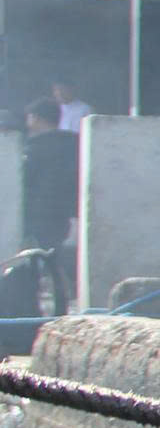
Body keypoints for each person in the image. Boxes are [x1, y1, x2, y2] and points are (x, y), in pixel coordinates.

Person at [22, 97, 79, 313]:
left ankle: (32, 311)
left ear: (35, 118)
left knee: (32, 263)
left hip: (37, 212)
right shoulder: (74, 143)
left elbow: (26, 180)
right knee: (55, 261)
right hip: (65, 212)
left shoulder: (34, 147)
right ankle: (62, 308)